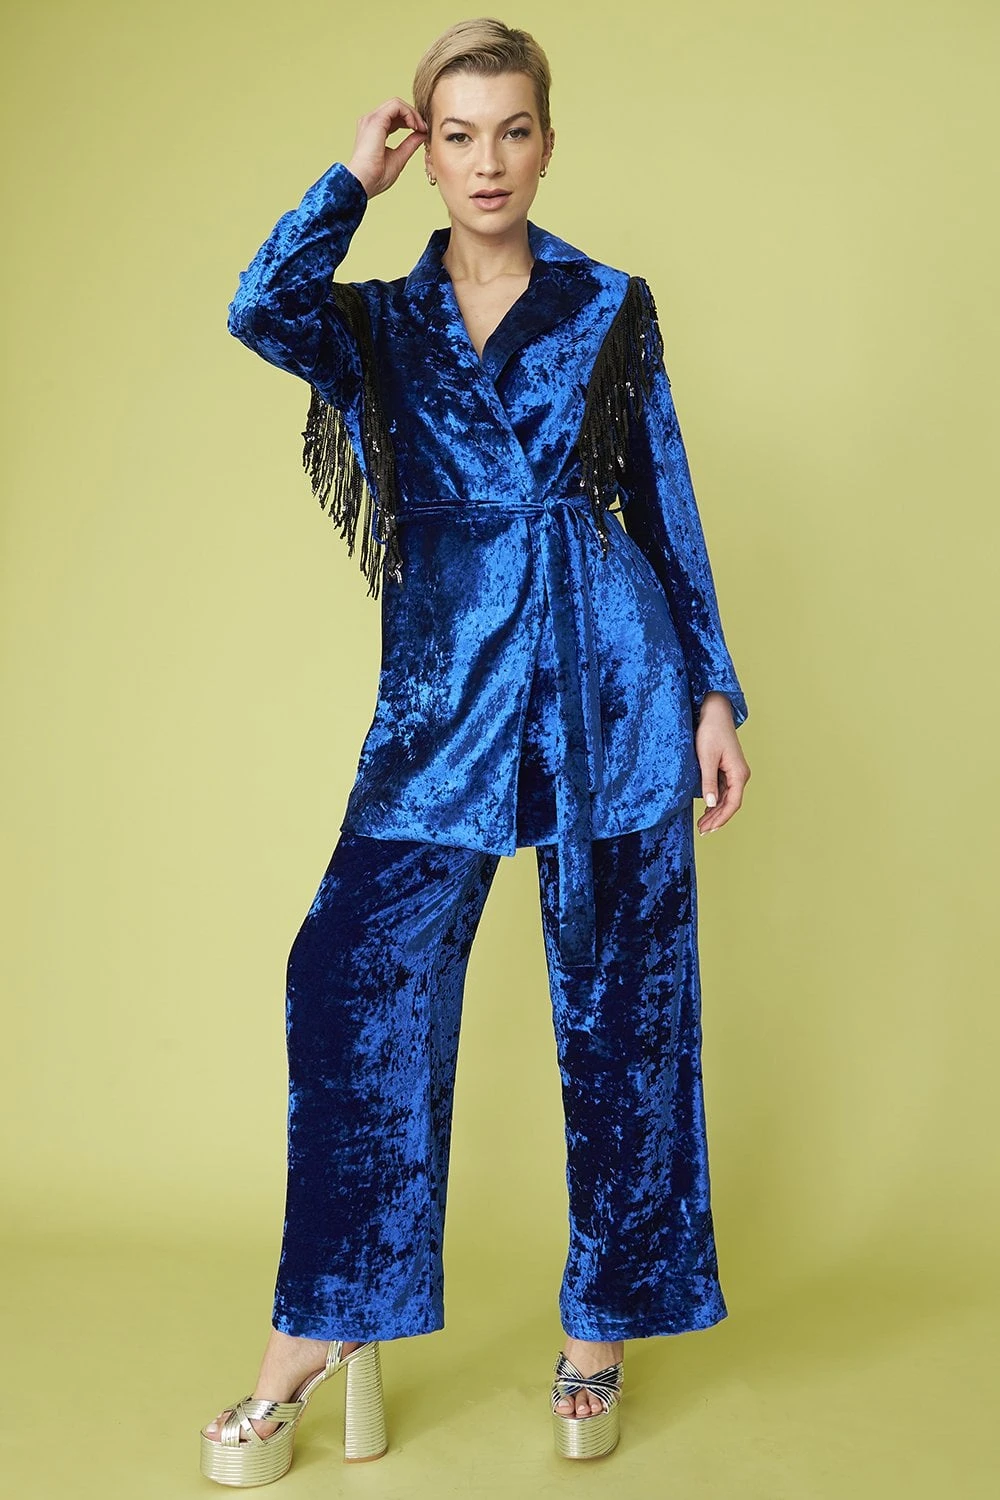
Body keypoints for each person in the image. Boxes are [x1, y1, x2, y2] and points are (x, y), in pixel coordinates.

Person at [200, 16, 751, 1484]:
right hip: (446, 694)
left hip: (609, 680)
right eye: (457, 135)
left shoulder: (609, 303)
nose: (487, 160)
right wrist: (348, 181)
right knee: (348, 976)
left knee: (626, 1012)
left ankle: (599, 1327)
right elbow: (259, 306)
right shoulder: (379, 321)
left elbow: (662, 492)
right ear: (427, 152)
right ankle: (328, 1321)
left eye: (512, 131)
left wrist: (711, 692)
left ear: (548, 145)